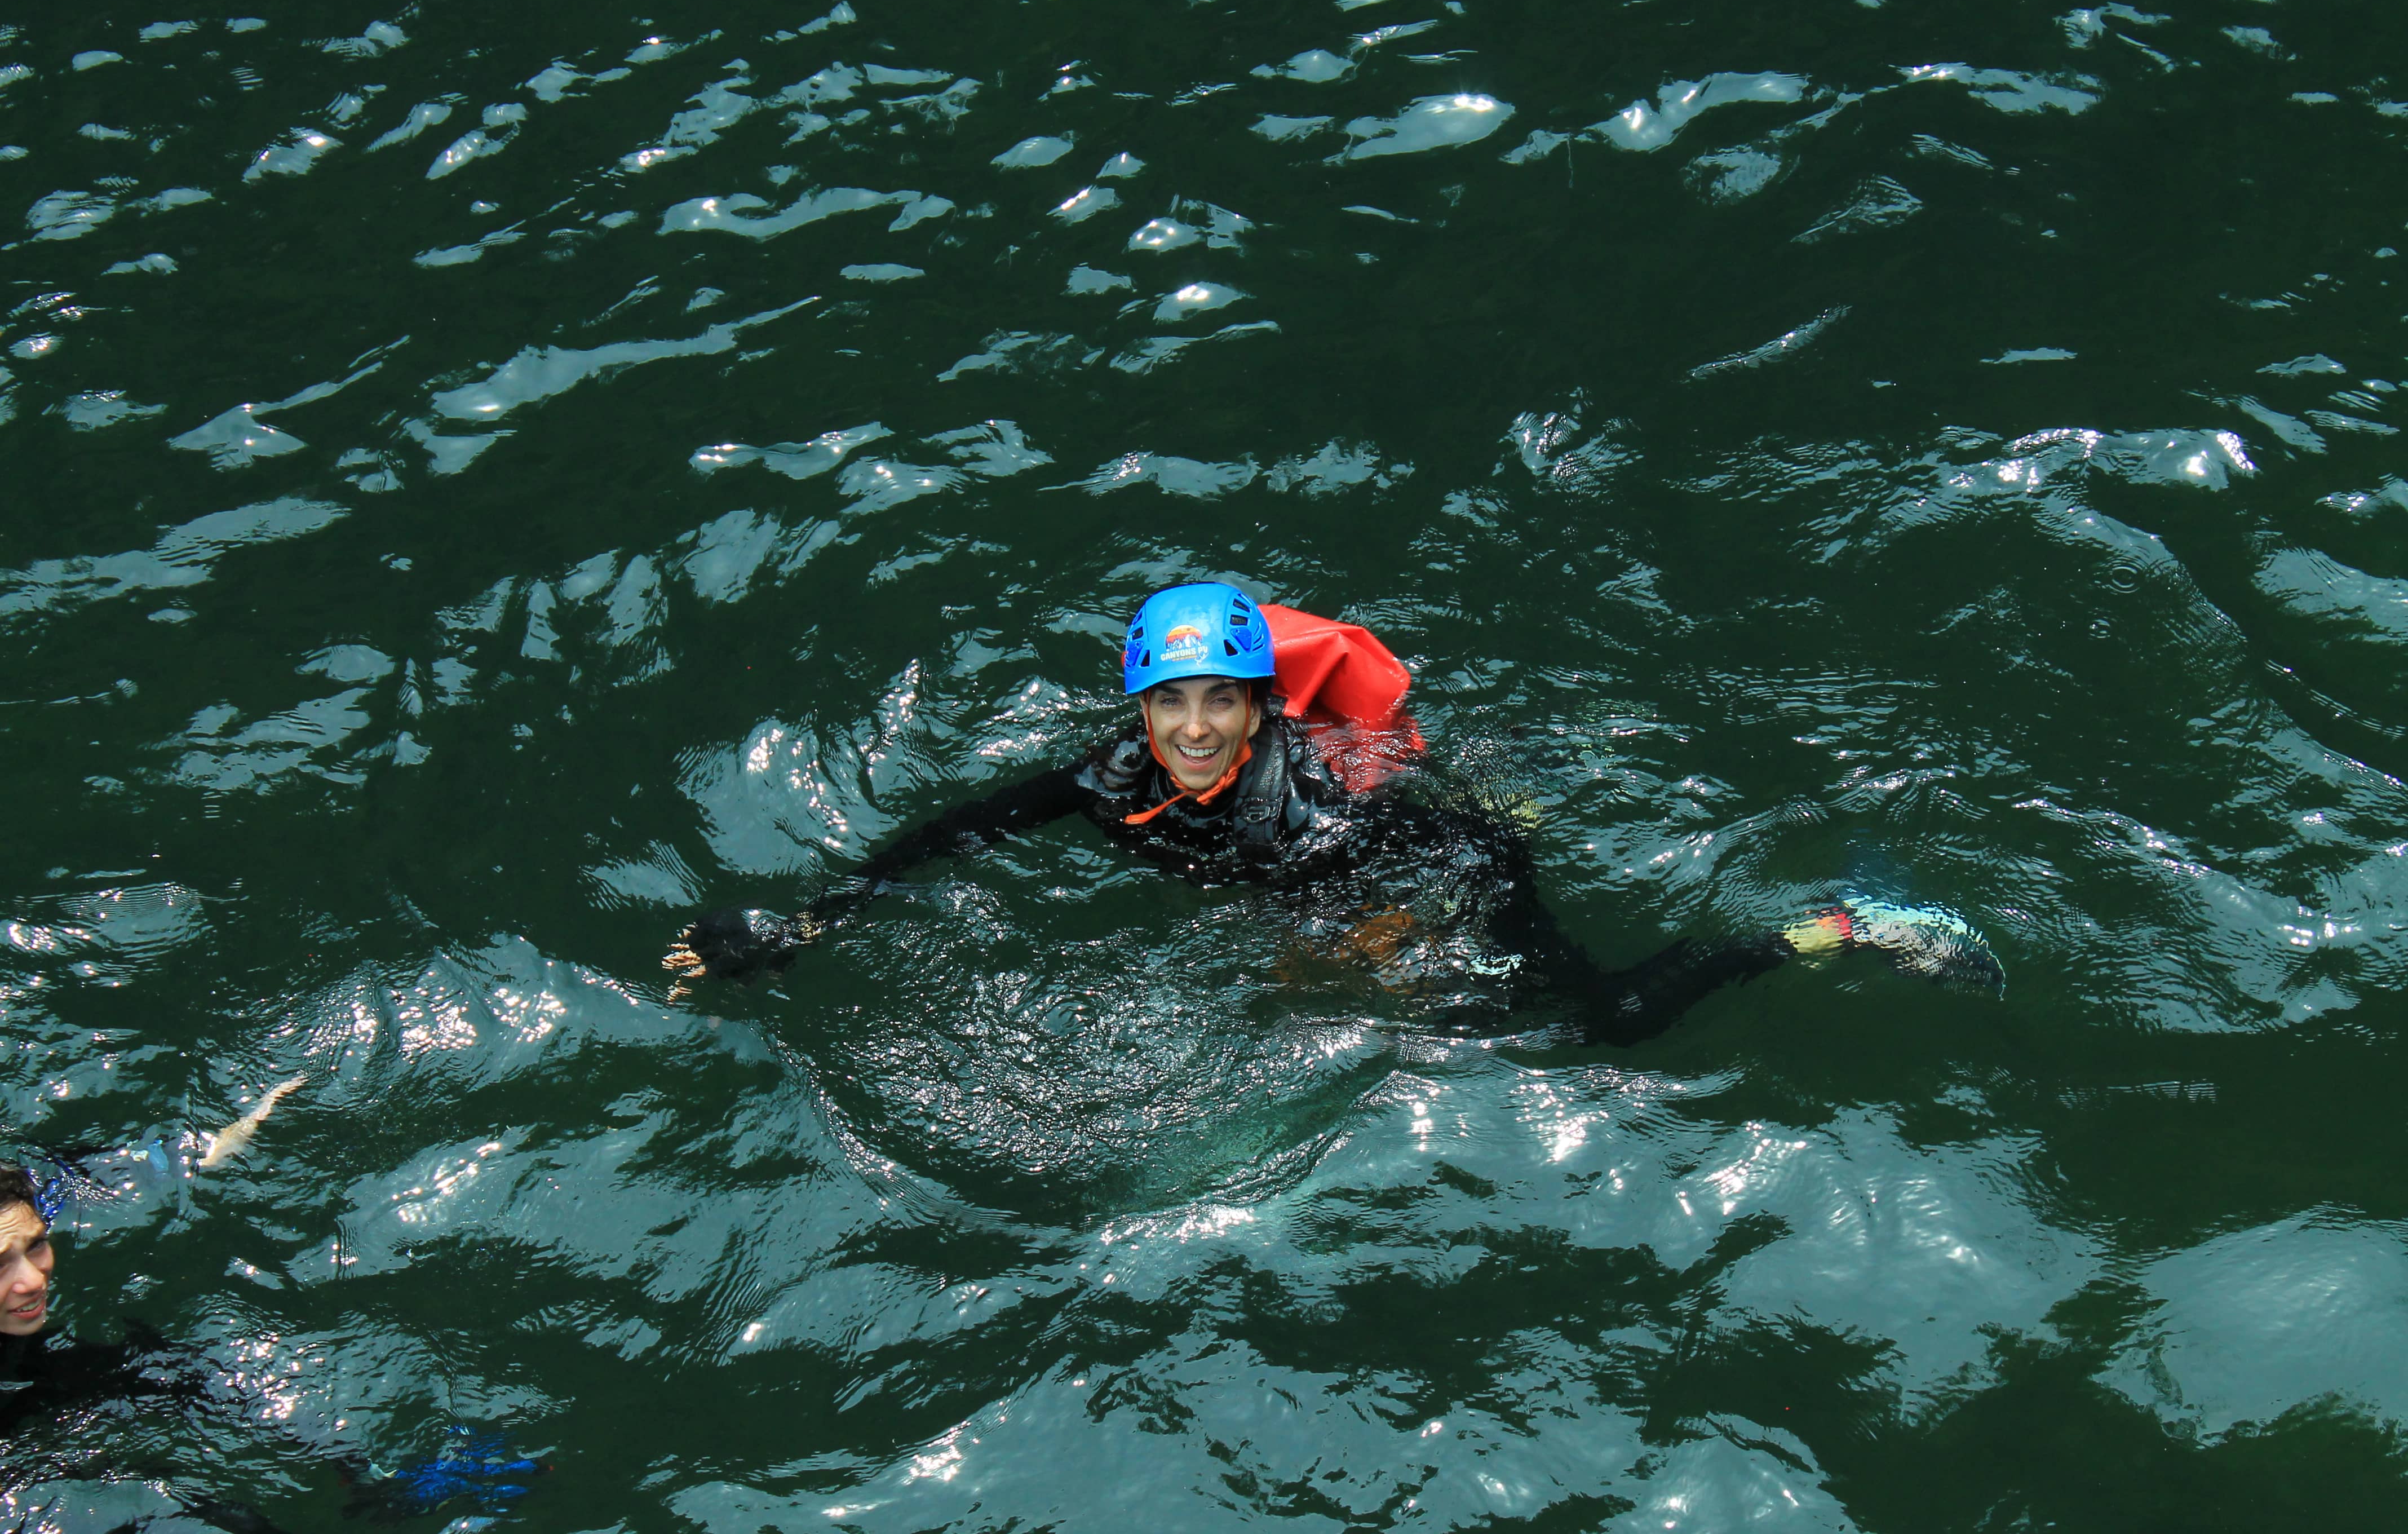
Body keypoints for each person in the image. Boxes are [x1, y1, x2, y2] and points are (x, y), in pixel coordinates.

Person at [665, 581, 2000, 1040]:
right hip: (1337, 878)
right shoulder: (1104, 779)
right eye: (1170, 703)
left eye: (1222, 702)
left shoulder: (1318, 808)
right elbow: (950, 832)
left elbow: (1464, 854)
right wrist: (809, 922)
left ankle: (1845, 922)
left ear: (1261, 707)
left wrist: (1383, 939)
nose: (1195, 730)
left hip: (1448, 853)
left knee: (1604, 1020)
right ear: (1138, 708)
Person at [1, 1156, 541, 1526]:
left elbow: (88, 1175)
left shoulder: (23, 1207)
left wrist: (195, 1152)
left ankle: (371, 1479)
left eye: (37, 1246)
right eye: (1, 1263)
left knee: (182, 1369)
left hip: (34, 1365)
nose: (32, 1280)